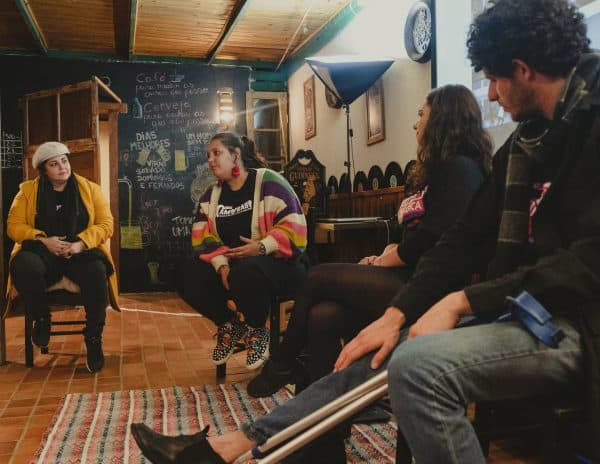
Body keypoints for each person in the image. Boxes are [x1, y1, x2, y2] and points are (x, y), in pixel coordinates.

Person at [131, 0, 600, 462]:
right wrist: (396, 315)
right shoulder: (525, 143)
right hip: (521, 309)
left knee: (416, 365)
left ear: (523, 70)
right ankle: (228, 446)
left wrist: (460, 301)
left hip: (578, 323)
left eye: (494, 80)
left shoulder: (590, 129)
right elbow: (463, 239)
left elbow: (586, 266)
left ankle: (273, 385)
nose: (491, 96)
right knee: (374, 351)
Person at [247, 84, 492, 398]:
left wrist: (385, 260)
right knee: (323, 316)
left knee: (316, 276)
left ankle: (282, 363)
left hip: (431, 289)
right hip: (407, 274)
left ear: (443, 119)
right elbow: (411, 234)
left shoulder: (461, 169)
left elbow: (433, 240)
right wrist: (384, 255)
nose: (415, 123)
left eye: (422, 115)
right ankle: (325, 416)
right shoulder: (434, 172)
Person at [177, 133, 308, 370]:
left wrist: (261, 246)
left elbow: (295, 227)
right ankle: (229, 325)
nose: (210, 160)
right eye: (208, 155)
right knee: (184, 272)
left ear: (235, 155)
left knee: (246, 272)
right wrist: (221, 265)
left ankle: (257, 329)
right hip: (234, 268)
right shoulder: (211, 195)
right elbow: (202, 236)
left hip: (280, 264)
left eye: (217, 153)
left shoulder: (268, 182)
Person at [6, 141, 119, 373]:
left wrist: (80, 244)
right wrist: (43, 239)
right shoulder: (27, 191)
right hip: (43, 252)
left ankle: (94, 337)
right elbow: (13, 226)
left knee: (97, 270)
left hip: (79, 251)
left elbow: (106, 224)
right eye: (54, 164)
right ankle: (42, 318)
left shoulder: (90, 188)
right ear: (44, 170)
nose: (62, 167)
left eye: (64, 161)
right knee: (22, 264)